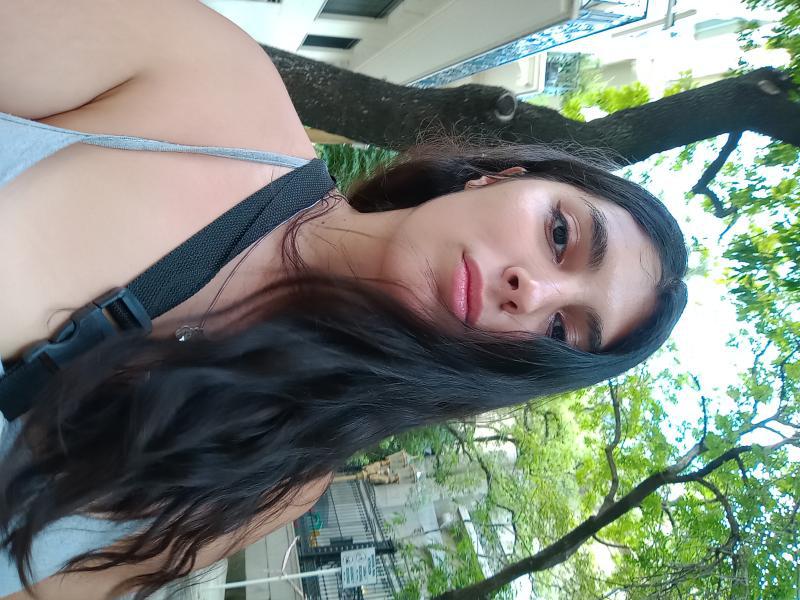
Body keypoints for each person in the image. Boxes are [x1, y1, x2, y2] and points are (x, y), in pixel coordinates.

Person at [0, 1, 688, 599]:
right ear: (499, 176)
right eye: (560, 234)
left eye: (561, 331)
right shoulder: (208, 82)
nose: (531, 291)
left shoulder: (272, 481)